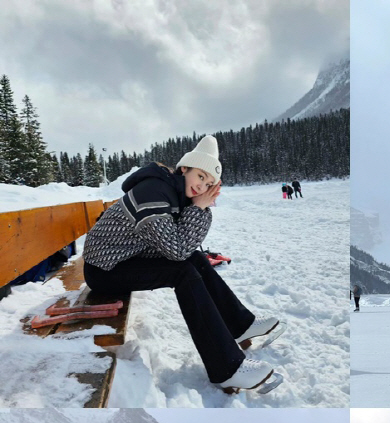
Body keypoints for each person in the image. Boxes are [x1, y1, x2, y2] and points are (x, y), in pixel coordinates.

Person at [82, 136, 284, 394]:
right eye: (200, 176)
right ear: (184, 169)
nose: (202, 187)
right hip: (104, 270)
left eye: (209, 184)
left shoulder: (172, 193)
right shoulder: (153, 191)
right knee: (183, 272)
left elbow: (185, 248)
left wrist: (198, 209)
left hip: (126, 259)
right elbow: (176, 251)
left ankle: (240, 326)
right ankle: (227, 369)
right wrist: (198, 209)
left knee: (195, 259)